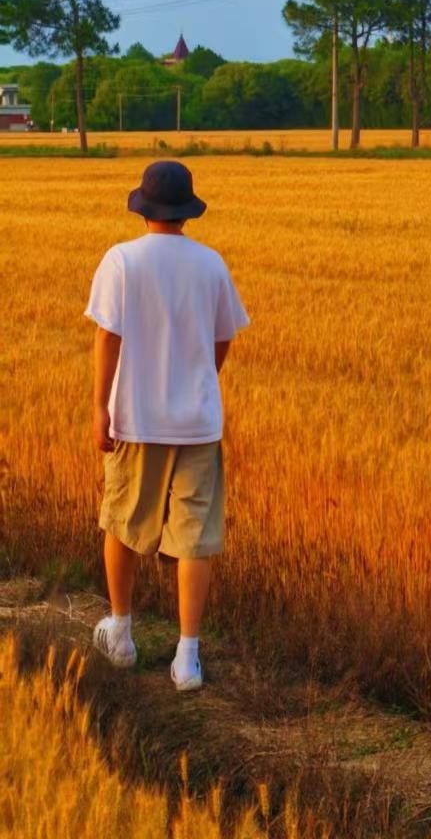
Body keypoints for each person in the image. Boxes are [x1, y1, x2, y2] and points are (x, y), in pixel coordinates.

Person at [85, 160, 249, 692]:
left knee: (122, 523)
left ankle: (123, 633)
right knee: (194, 538)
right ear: (187, 211)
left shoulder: (122, 261)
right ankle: (187, 658)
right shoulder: (211, 264)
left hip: (136, 417)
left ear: (144, 208)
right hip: (198, 422)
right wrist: (201, 376)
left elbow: (107, 337)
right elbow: (224, 337)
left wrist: (100, 408)